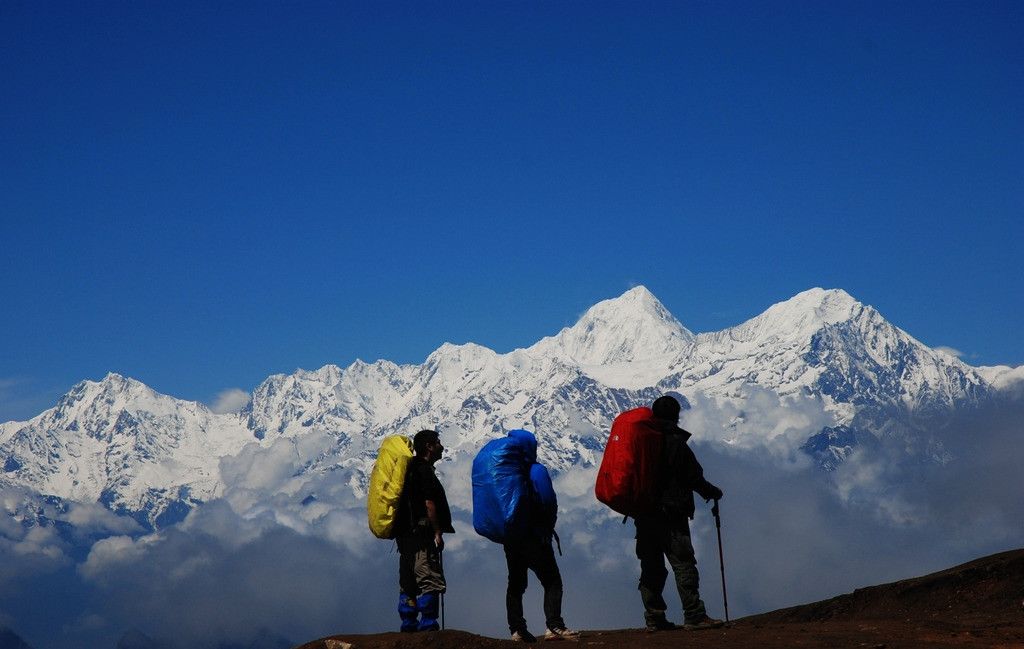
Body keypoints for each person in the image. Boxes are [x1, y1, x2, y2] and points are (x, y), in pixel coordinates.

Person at [635, 395, 724, 632]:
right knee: (683, 563)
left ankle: (654, 617)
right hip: (671, 515)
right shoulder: (676, 443)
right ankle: (694, 614)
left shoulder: (642, 442)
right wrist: (713, 492)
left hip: (643, 514)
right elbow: (694, 477)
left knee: (651, 566)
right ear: (676, 416)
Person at [504, 453, 579, 643]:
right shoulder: (536, 470)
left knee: (515, 585)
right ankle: (554, 625)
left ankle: (517, 630)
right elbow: (547, 499)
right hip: (534, 537)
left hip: (511, 538)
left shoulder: (506, 472)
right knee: (552, 581)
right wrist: (547, 526)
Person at [394, 429, 455, 632]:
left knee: (408, 583)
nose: (441, 446)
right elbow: (429, 503)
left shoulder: (408, 470)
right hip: (421, 536)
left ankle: (408, 624)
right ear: (429, 446)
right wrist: (437, 531)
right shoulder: (424, 471)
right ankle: (428, 625)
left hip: (404, 537)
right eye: (437, 442)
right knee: (429, 579)